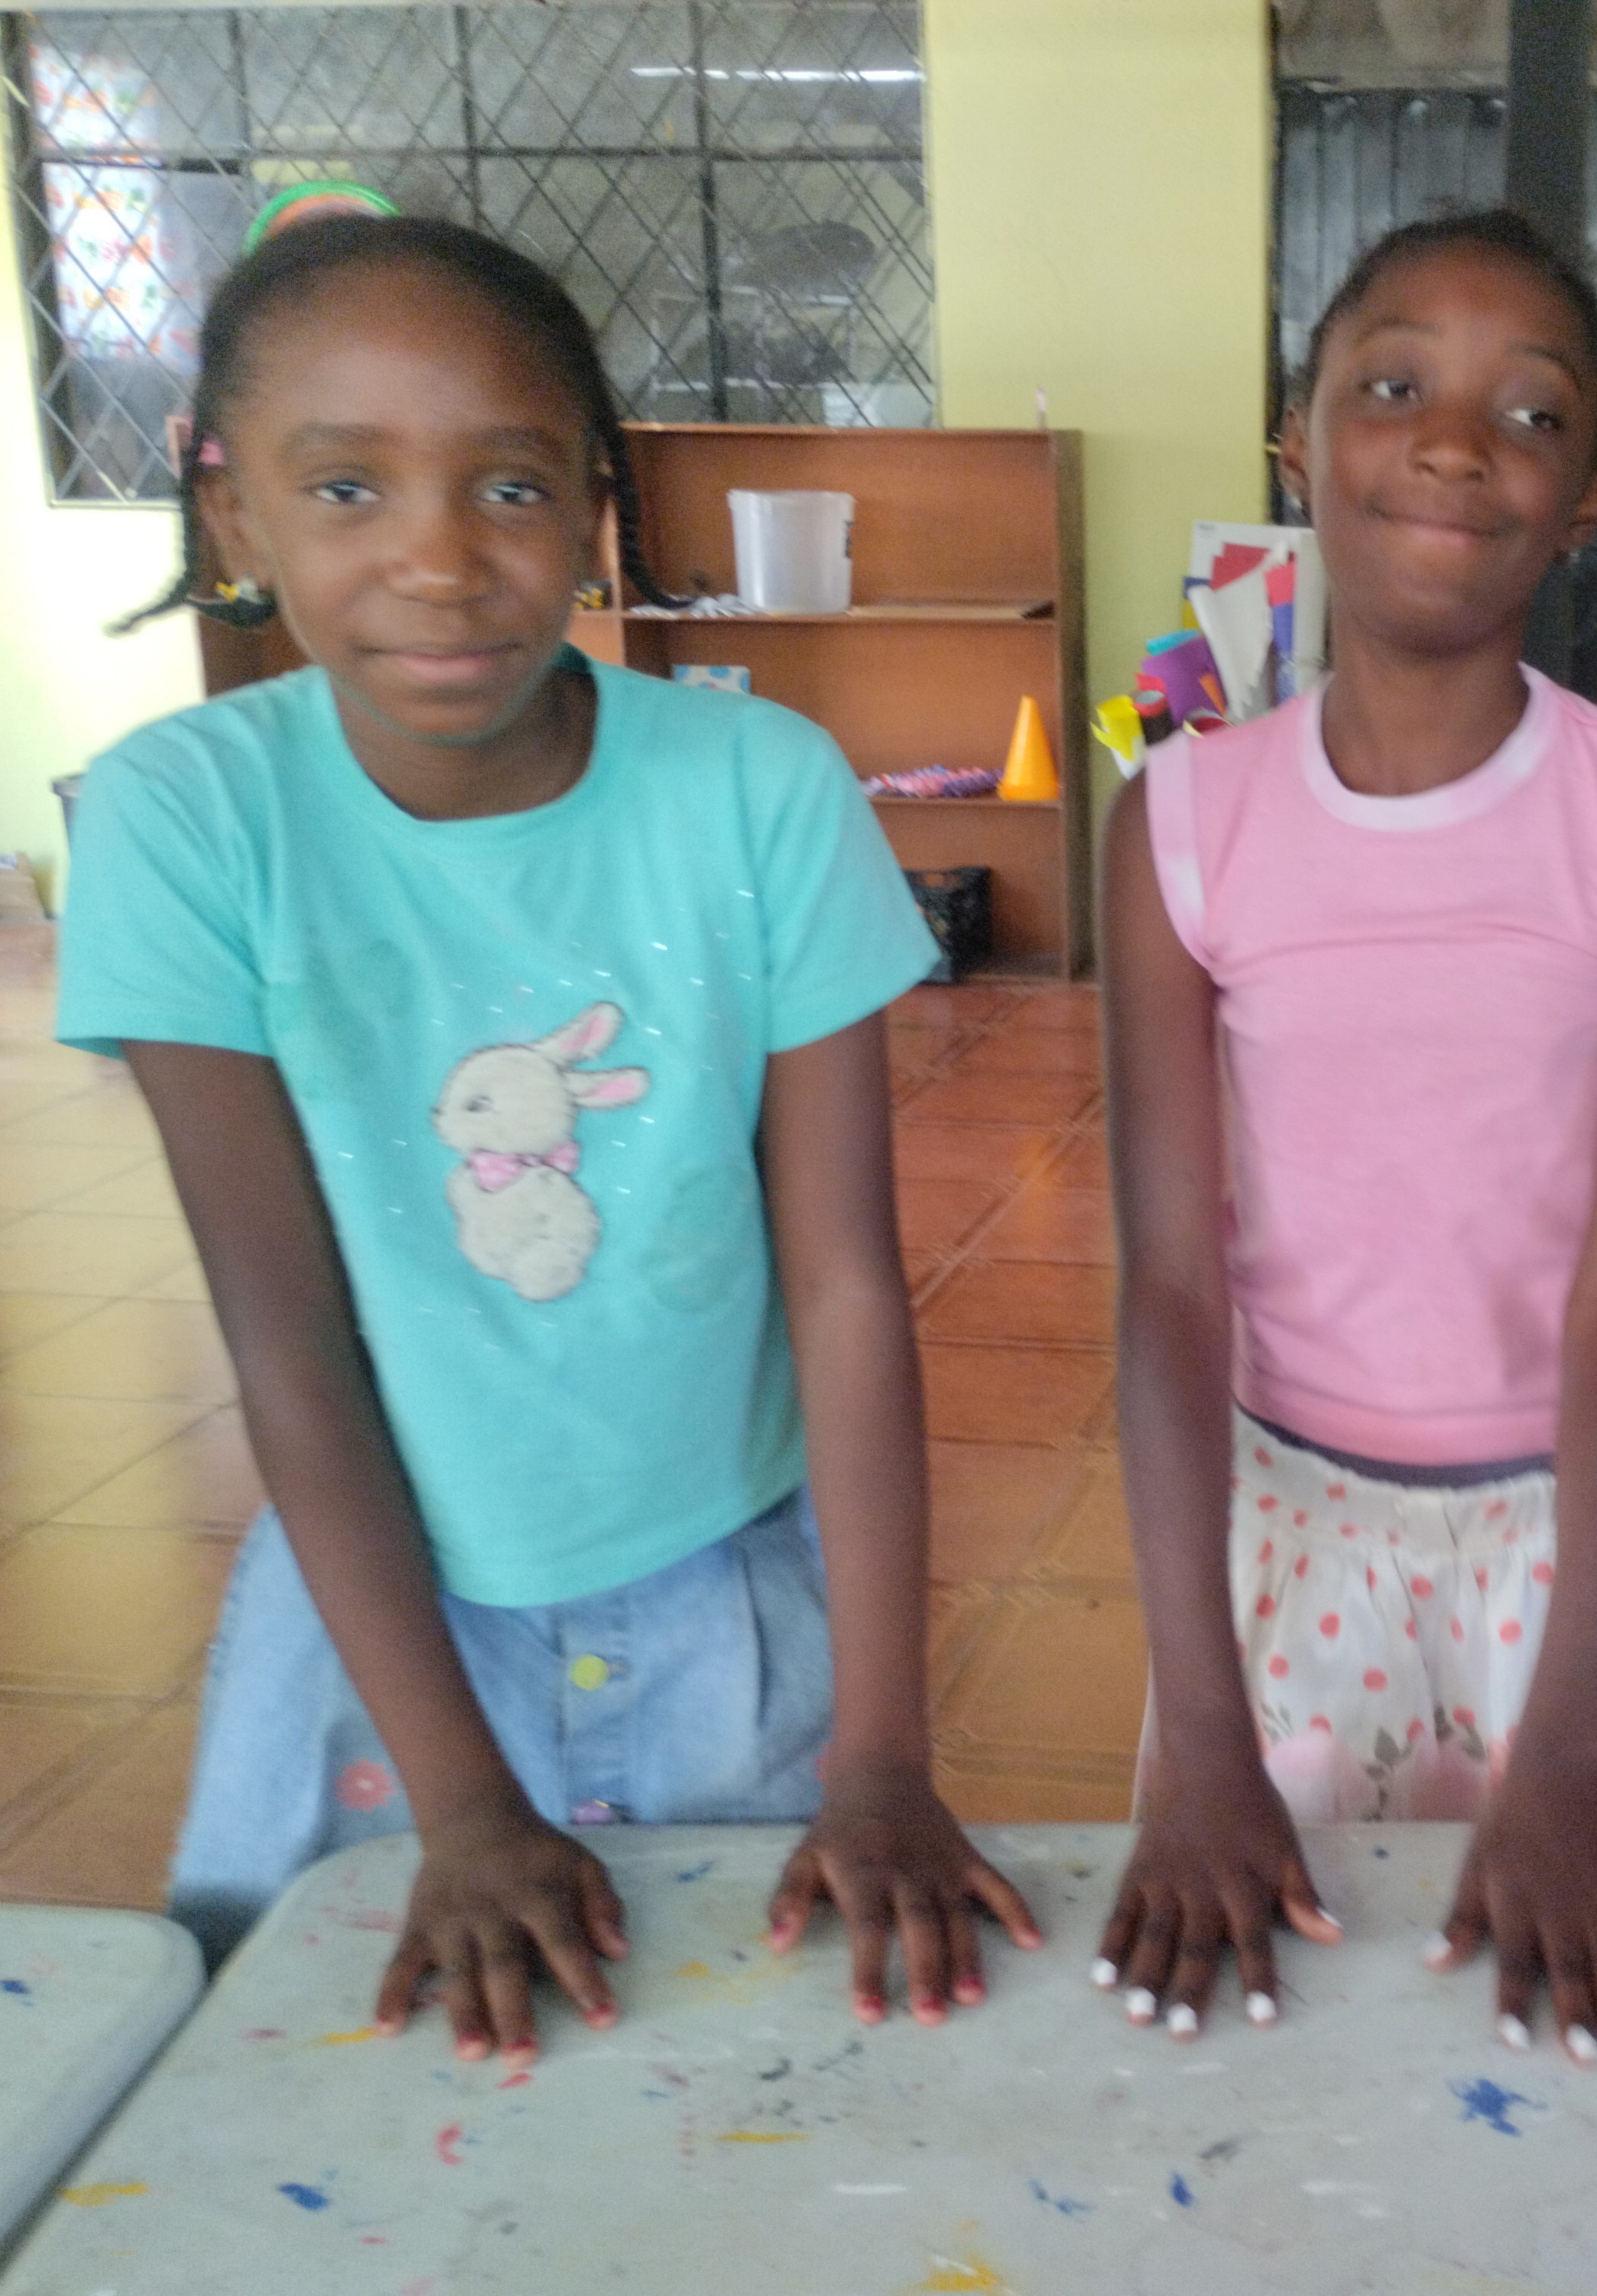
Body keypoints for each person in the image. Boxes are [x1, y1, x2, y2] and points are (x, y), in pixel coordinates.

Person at [56, 216, 1035, 2058]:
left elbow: (843, 1284)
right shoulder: (182, 819)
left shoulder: (756, 789)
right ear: (233, 514)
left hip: (732, 1599)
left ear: (594, 508)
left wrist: (883, 1755)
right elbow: (287, 1340)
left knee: (757, 2078)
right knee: (335, 2091)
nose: (438, 560)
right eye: (345, 486)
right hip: (382, 1638)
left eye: (508, 484)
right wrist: (459, 1804)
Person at [1096, 210, 1597, 2060]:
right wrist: (1203, 1730)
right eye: (1393, 388)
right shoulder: (1181, 823)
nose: (1456, 446)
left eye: (1529, 413)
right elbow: (1169, 1285)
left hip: (1571, 1552)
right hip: (1274, 1543)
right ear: (1296, 442)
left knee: (1564, 2057)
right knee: (1279, 2054)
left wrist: (1561, 1749)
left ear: (1588, 498)